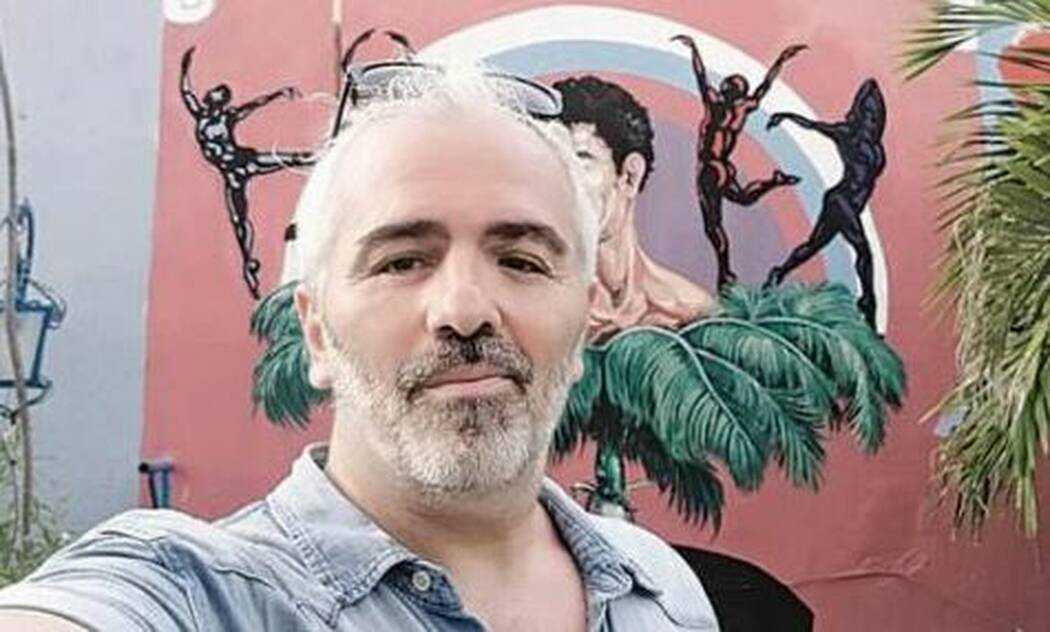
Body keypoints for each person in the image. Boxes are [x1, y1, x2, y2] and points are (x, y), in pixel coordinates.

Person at [0, 63, 719, 631]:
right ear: (316, 329)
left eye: (522, 261)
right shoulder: (201, 594)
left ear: (587, 317)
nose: (465, 311)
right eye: (402, 261)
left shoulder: (659, 591)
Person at [553, 76, 715, 343]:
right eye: (552, 162)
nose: (560, 181)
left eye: (580, 159)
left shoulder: (690, 312)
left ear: (630, 175)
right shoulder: (537, 312)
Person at [180, 46, 317, 299]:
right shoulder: (200, 116)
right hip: (231, 173)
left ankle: (324, 158)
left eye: (216, 97)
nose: (211, 98)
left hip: (243, 161)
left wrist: (277, 94)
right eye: (212, 95)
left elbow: (254, 105)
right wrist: (185, 68)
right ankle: (248, 263)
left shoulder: (227, 117)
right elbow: (186, 92)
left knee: (289, 159)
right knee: (239, 220)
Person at [671, 35, 806, 289]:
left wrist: (694, 51)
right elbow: (764, 87)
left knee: (713, 225)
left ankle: (725, 273)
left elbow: (701, 77)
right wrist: (781, 60)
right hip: (725, 166)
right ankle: (773, 182)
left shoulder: (715, 104)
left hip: (710, 167)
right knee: (743, 198)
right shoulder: (743, 108)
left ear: (727, 90)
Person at [764, 79, 888, 329]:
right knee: (863, 251)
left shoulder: (876, 146)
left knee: (813, 246)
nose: (872, 118)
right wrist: (785, 116)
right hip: (841, 200)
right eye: (868, 112)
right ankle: (868, 304)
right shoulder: (847, 134)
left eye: (875, 114)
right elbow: (813, 125)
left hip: (849, 205)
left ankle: (779, 272)